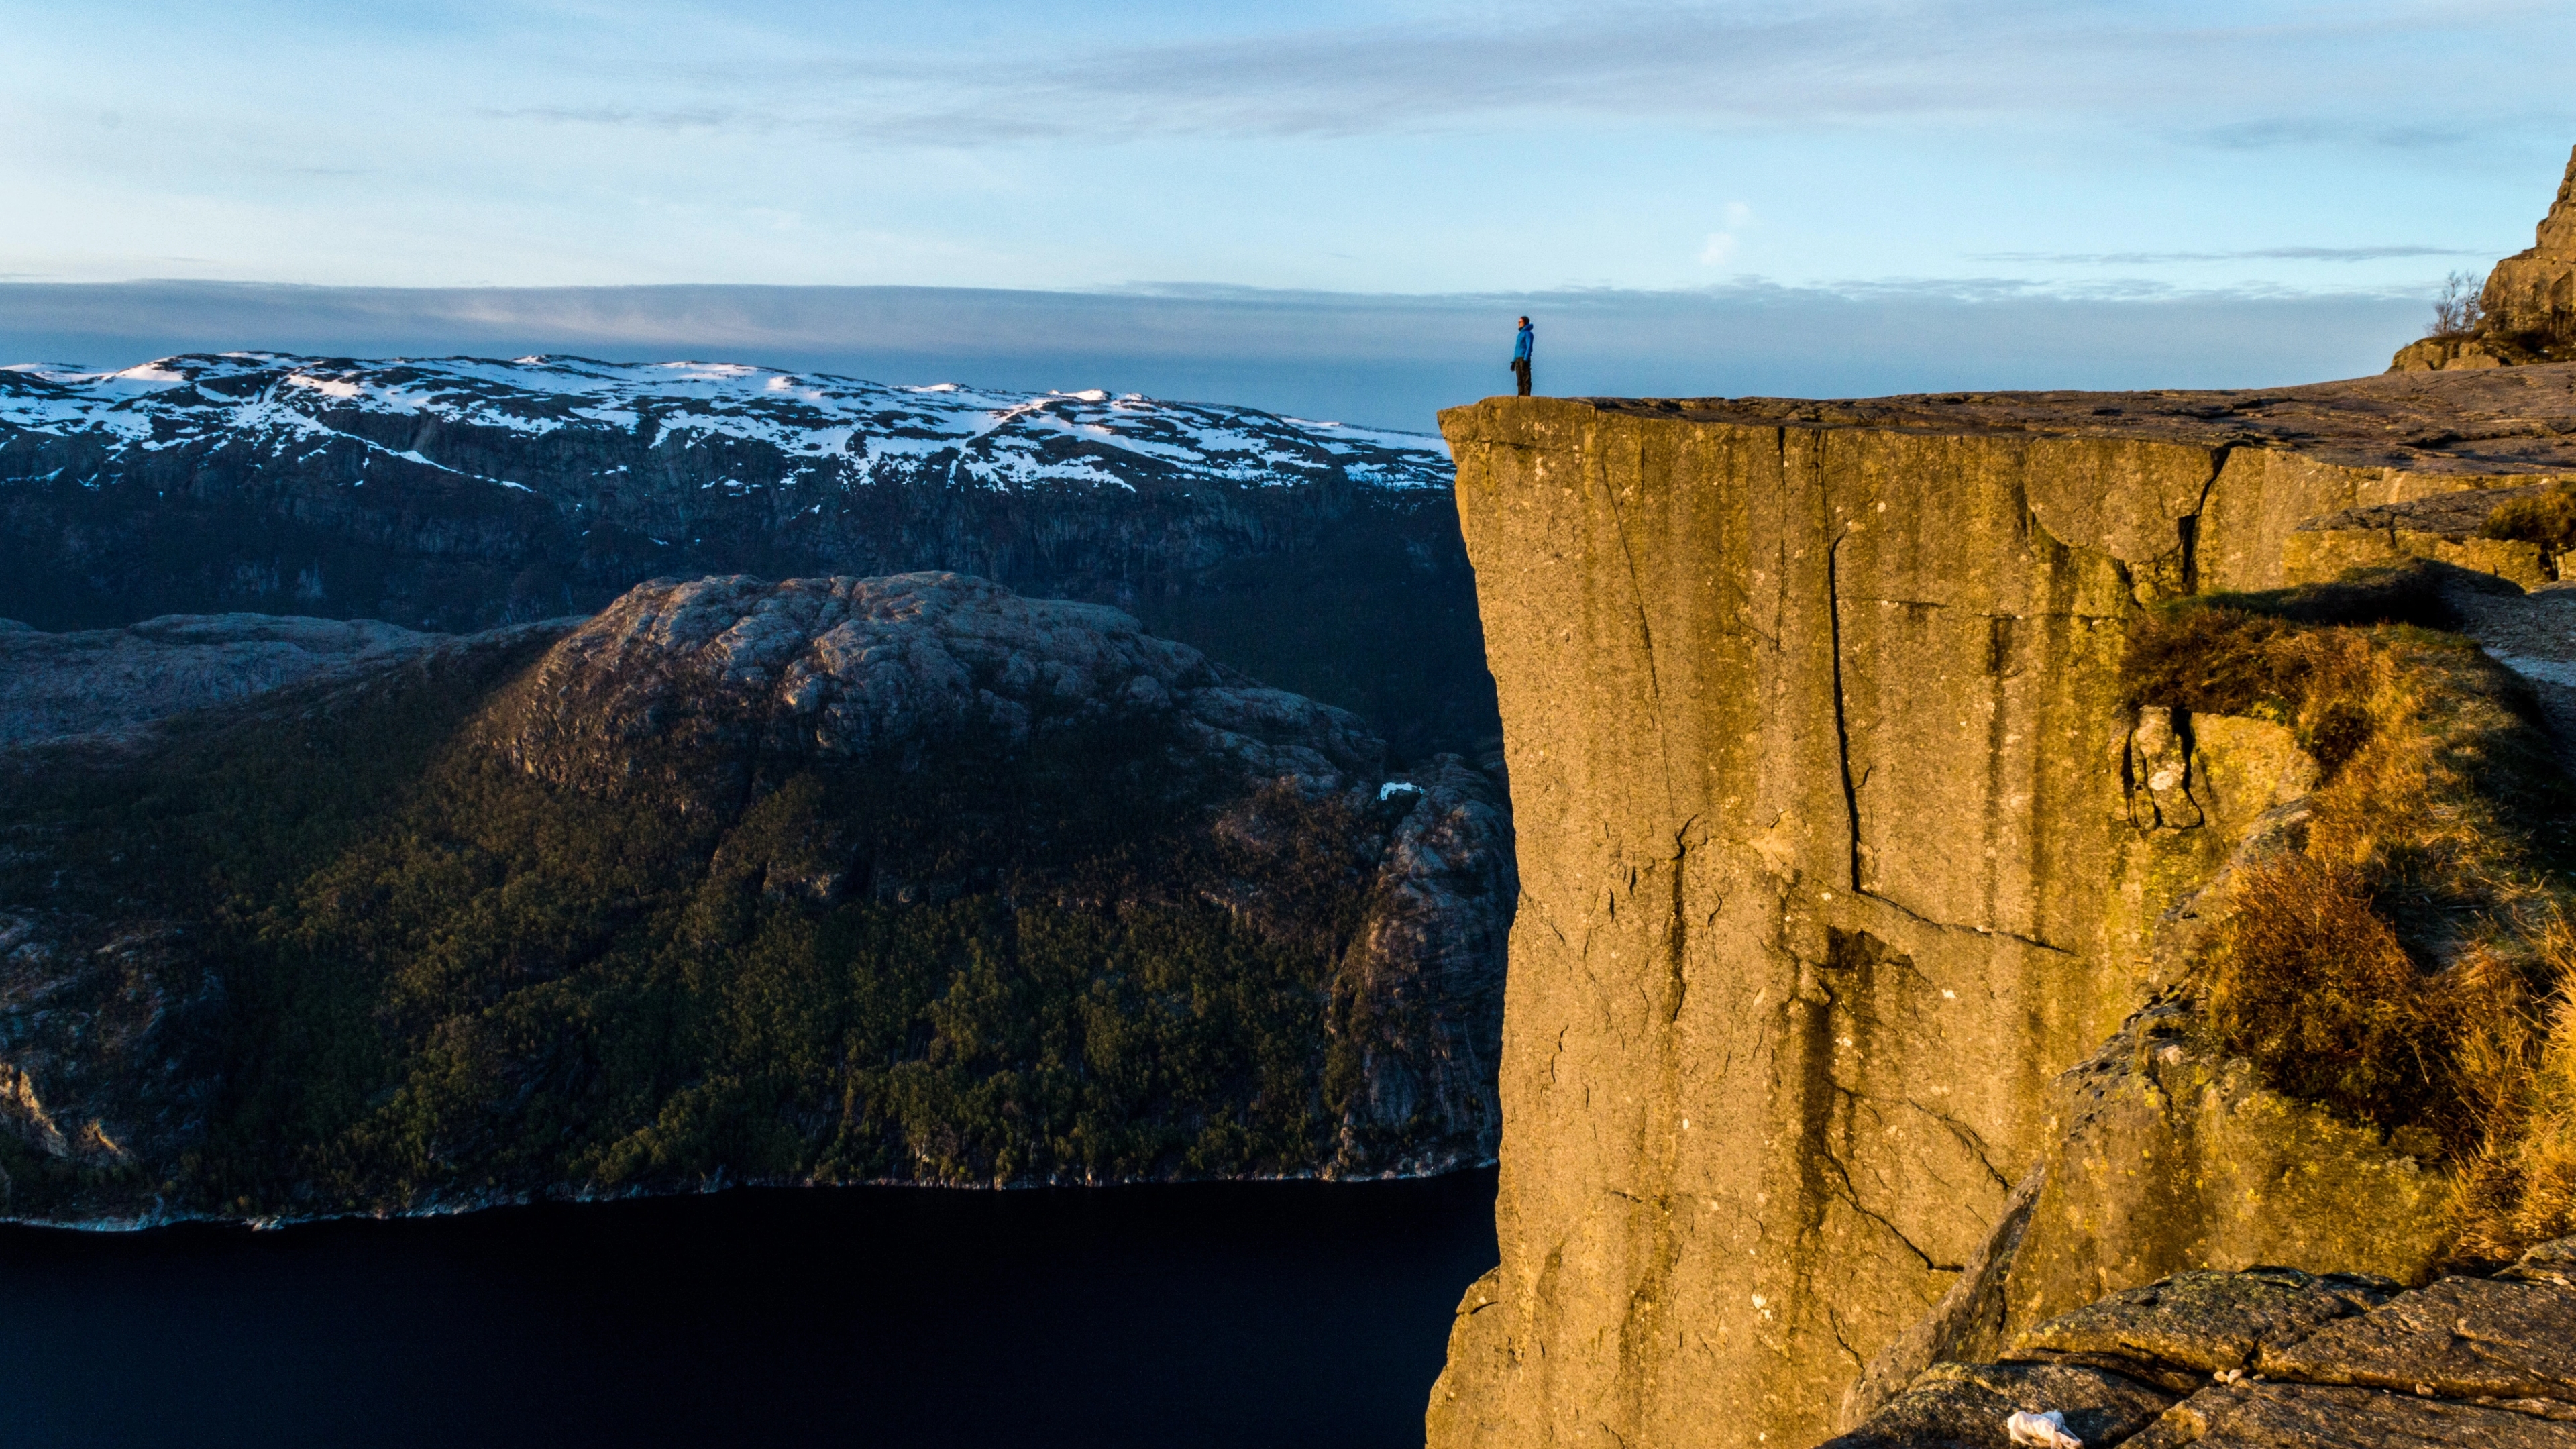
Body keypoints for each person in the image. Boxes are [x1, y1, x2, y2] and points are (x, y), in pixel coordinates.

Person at [1510, 316, 1534, 396]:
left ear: (1525, 323)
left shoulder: (1528, 334)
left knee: (1526, 377)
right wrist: (1513, 361)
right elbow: (1517, 349)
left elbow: (1529, 346)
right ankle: (1521, 395)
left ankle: (1527, 395)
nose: (1519, 324)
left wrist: (1526, 359)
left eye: (1520, 322)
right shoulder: (1519, 335)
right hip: (1518, 358)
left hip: (1524, 358)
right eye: (1518, 322)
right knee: (1519, 378)